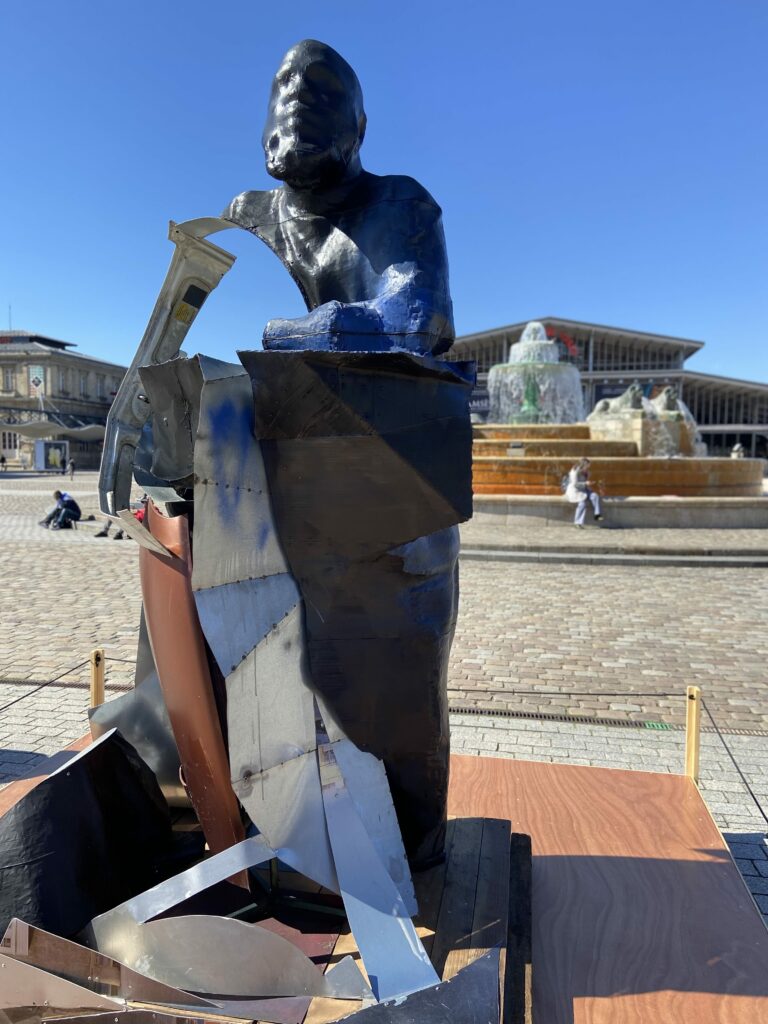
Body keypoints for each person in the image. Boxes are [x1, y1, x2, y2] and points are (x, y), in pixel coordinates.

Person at [565, 457, 603, 528]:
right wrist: (586, 483)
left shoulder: (587, 472)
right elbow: (575, 484)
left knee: (595, 496)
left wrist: (590, 484)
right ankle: (578, 523)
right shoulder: (574, 472)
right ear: (583, 465)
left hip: (585, 489)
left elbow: (586, 482)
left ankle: (597, 514)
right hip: (575, 491)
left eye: (589, 466)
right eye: (587, 466)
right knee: (582, 503)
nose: (588, 468)